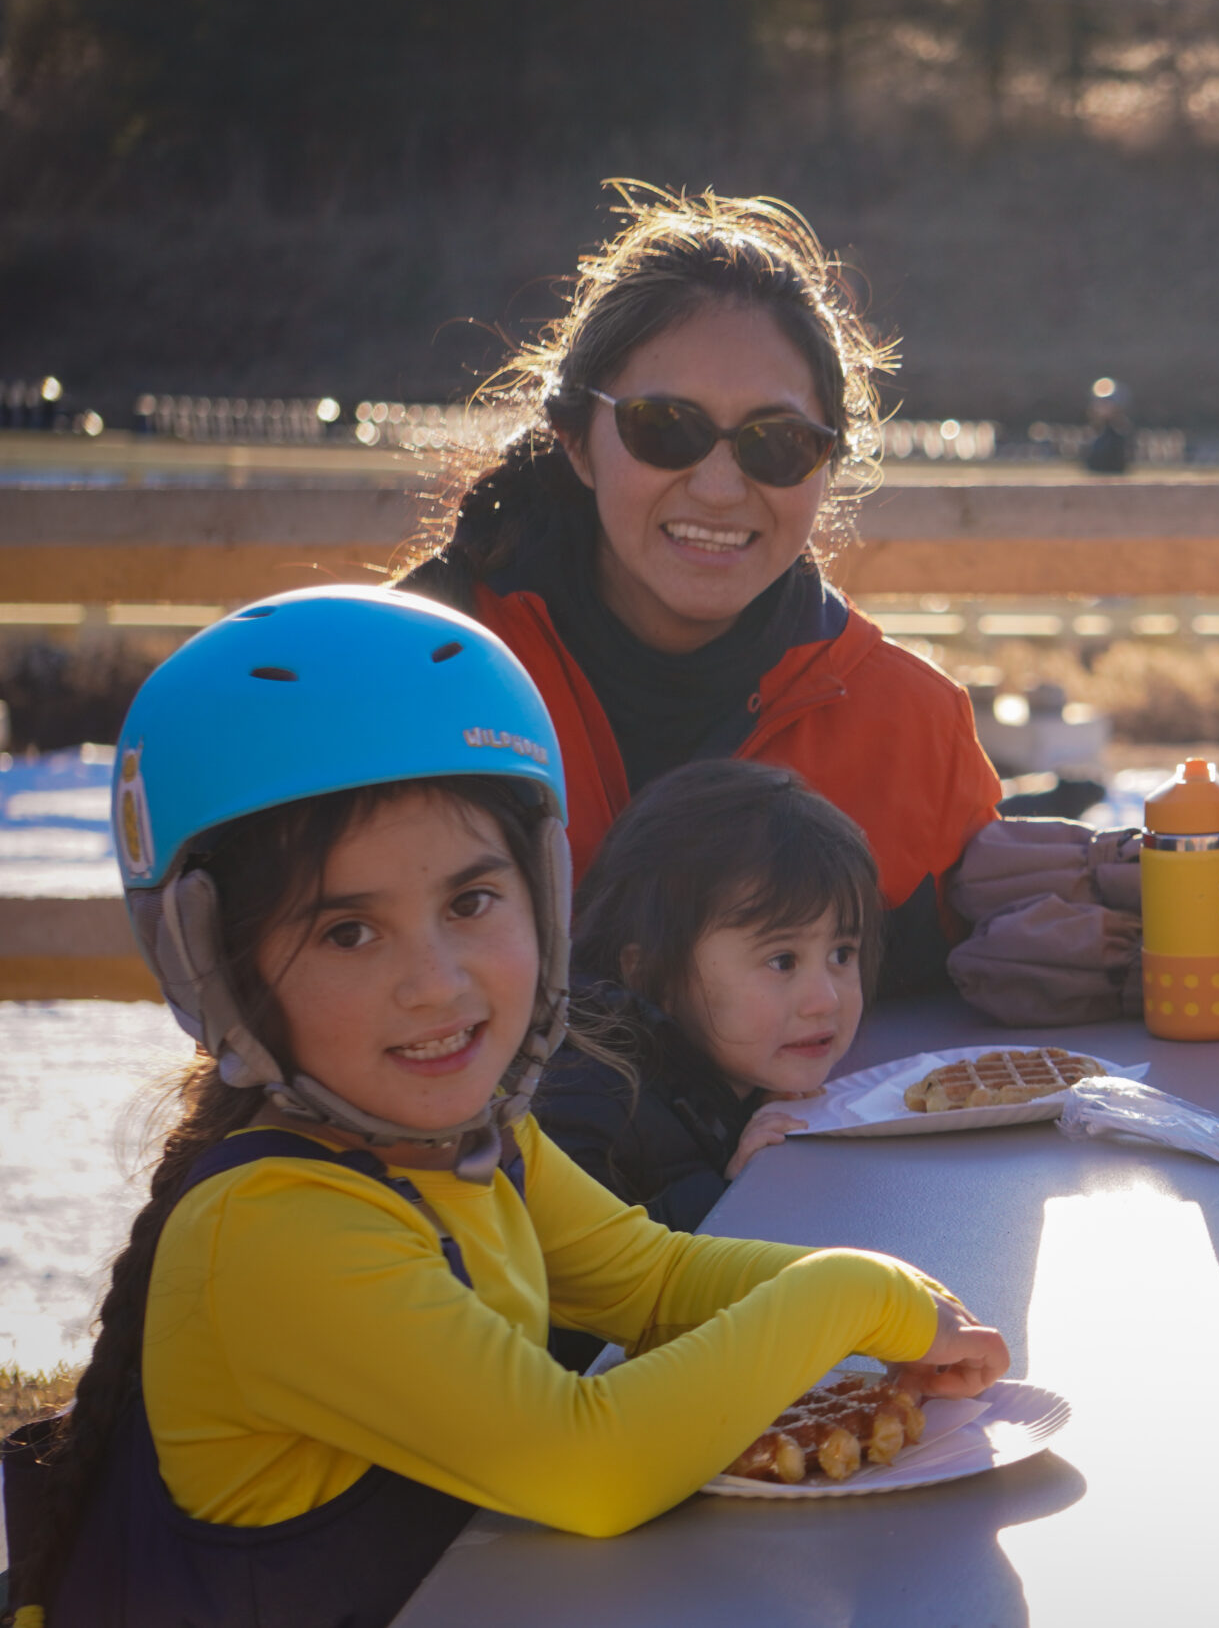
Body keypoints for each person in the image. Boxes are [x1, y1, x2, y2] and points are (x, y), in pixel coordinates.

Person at [0, 588, 1007, 1628]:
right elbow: (589, 1463)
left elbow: (650, 1279)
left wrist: (903, 1294)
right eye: (348, 931)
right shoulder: (274, 1231)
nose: (435, 983)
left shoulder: (473, 1139)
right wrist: (851, 1296)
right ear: (217, 965)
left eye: (471, 902)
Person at [397, 185, 1001, 997]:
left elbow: (955, 1044)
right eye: (664, 427)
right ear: (576, 440)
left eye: (777, 443)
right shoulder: (413, 679)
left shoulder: (913, 731)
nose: (718, 488)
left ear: (825, 467)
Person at [538, 759, 885, 1234]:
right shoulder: (589, 1098)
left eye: (842, 953)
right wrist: (730, 1195)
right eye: (782, 960)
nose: (825, 1000)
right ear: (652, 974)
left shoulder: (738, 1074)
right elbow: (582, 1280)